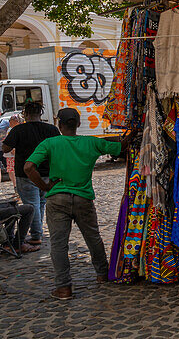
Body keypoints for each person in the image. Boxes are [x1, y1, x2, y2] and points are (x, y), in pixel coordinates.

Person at [24, 107, 123, 300]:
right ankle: (103, 275)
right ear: (78, 124)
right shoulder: (91, 142)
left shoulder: (50, 143)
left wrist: (44, 187)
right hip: (83, 198)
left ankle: (64, 288)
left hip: (57, 198)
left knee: (59, 244)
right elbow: (121, 147)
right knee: (93, 237)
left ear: (58, 124)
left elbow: (28, 167)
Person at [3, 100, 58, 249]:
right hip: (47, 172)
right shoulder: (52, 129)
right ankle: (36, 233)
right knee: (40, 203)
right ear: (40, 113)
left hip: (25, 172)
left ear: (25, 114)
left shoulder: (18, 130)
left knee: (31, 205)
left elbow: (5, 148)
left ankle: (36, 235)